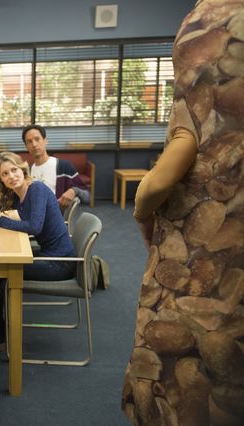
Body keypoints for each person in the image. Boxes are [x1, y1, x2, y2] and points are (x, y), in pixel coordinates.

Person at [122, 1, 244, 424]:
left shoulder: (209, 21)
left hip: (201, 242)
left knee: (185, 377)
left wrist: (142, 214)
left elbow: (170, 167)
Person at [0, 152, 76, 281]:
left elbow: (34, 227)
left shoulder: (37, 189)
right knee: (0, 260)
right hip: (47, 254)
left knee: (0, 268)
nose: (11, 176)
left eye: (14, 170)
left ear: (22, 169)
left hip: (60, 262)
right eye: (5, 174)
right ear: (1, 180)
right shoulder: (16, 196)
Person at [23, 124, 90, 209]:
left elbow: (87, 196)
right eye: (29, 141)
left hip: (57, 215)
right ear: (26, 147)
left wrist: (74, 191)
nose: (34, 144)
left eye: (37, 139)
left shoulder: (63, 166)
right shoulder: (27, 172)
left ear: (45, 141)